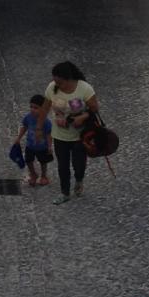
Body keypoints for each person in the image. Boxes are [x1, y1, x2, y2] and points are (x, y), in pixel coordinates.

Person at [40, 61, 100, 205]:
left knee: (78, 164)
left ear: (68, 79)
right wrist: (38, 128)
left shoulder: (84, 89)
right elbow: (45, 108)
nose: (57, 85)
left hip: (80, 136)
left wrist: (82, 117)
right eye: (55, 82)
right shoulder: (52, 88)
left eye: (60, 82)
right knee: (62, 166)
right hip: (60, 136)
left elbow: (95, 109)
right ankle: (64, 193)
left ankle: (79, 179)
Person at [13, 94, 53, 187]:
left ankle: (43, 175)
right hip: (30, 145)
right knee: (28, 160)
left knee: (43, 162)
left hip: (42, 147)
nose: (32, 109)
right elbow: (24, 127)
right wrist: (18, 138)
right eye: (31, 107)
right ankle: (33, 174)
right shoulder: (28, 117)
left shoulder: (46, 121)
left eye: (36, 108)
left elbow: (49, 134)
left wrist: (50, 146)